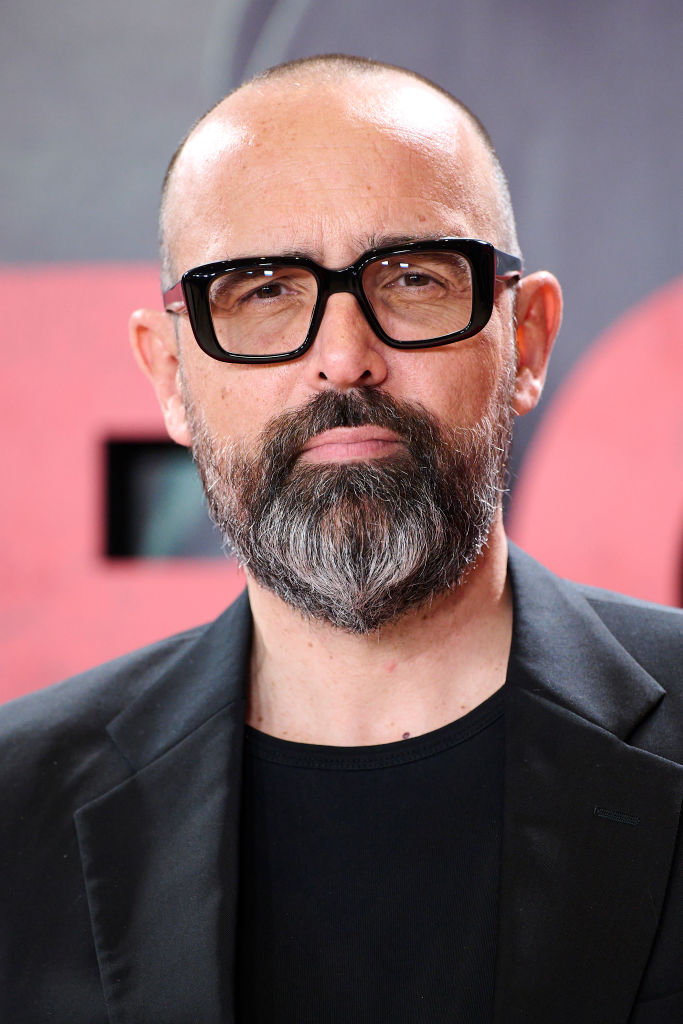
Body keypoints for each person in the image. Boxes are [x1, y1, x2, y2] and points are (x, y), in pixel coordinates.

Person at [1, 54, 681, 1024]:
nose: (343, 357)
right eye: (261, 290)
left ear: (524, 342)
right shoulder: (15, 807)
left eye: (411, 277)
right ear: (169, 377)